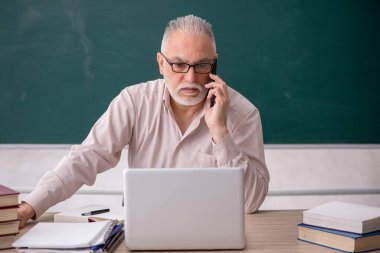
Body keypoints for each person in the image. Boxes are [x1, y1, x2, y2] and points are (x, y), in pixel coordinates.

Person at [18, 15, 270, 228]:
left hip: (213, 233)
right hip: (144, 231)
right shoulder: (134, 101)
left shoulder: (243, 113)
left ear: (214, 64)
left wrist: (219, 131)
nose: (191, 77)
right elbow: (86, 158)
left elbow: (250, 203)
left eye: (202, 65)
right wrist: (31, 206)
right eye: (179, 64)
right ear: (161, 63)